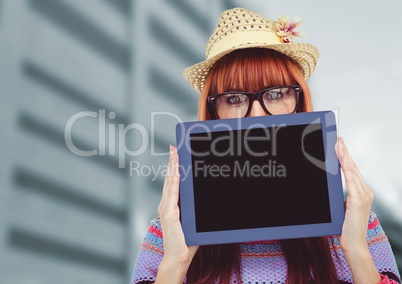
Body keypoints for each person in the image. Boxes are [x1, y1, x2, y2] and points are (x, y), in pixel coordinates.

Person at [131, 7, 401, 284]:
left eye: (276, 93)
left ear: (299, 102)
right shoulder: (169, 233)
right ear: (214, 113)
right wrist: (174, 263)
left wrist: (355, 250)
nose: (257, 115)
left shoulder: (357, 225)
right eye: (235, 99)